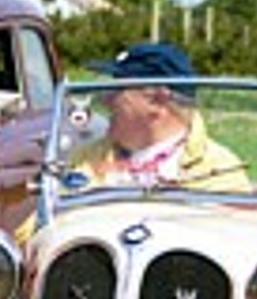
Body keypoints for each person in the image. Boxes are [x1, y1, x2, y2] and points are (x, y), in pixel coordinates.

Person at [70, 42, 247, 192]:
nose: (105, 100)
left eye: (118, 89)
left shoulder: (220, 173)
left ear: (157, 100)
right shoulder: (86, 160)